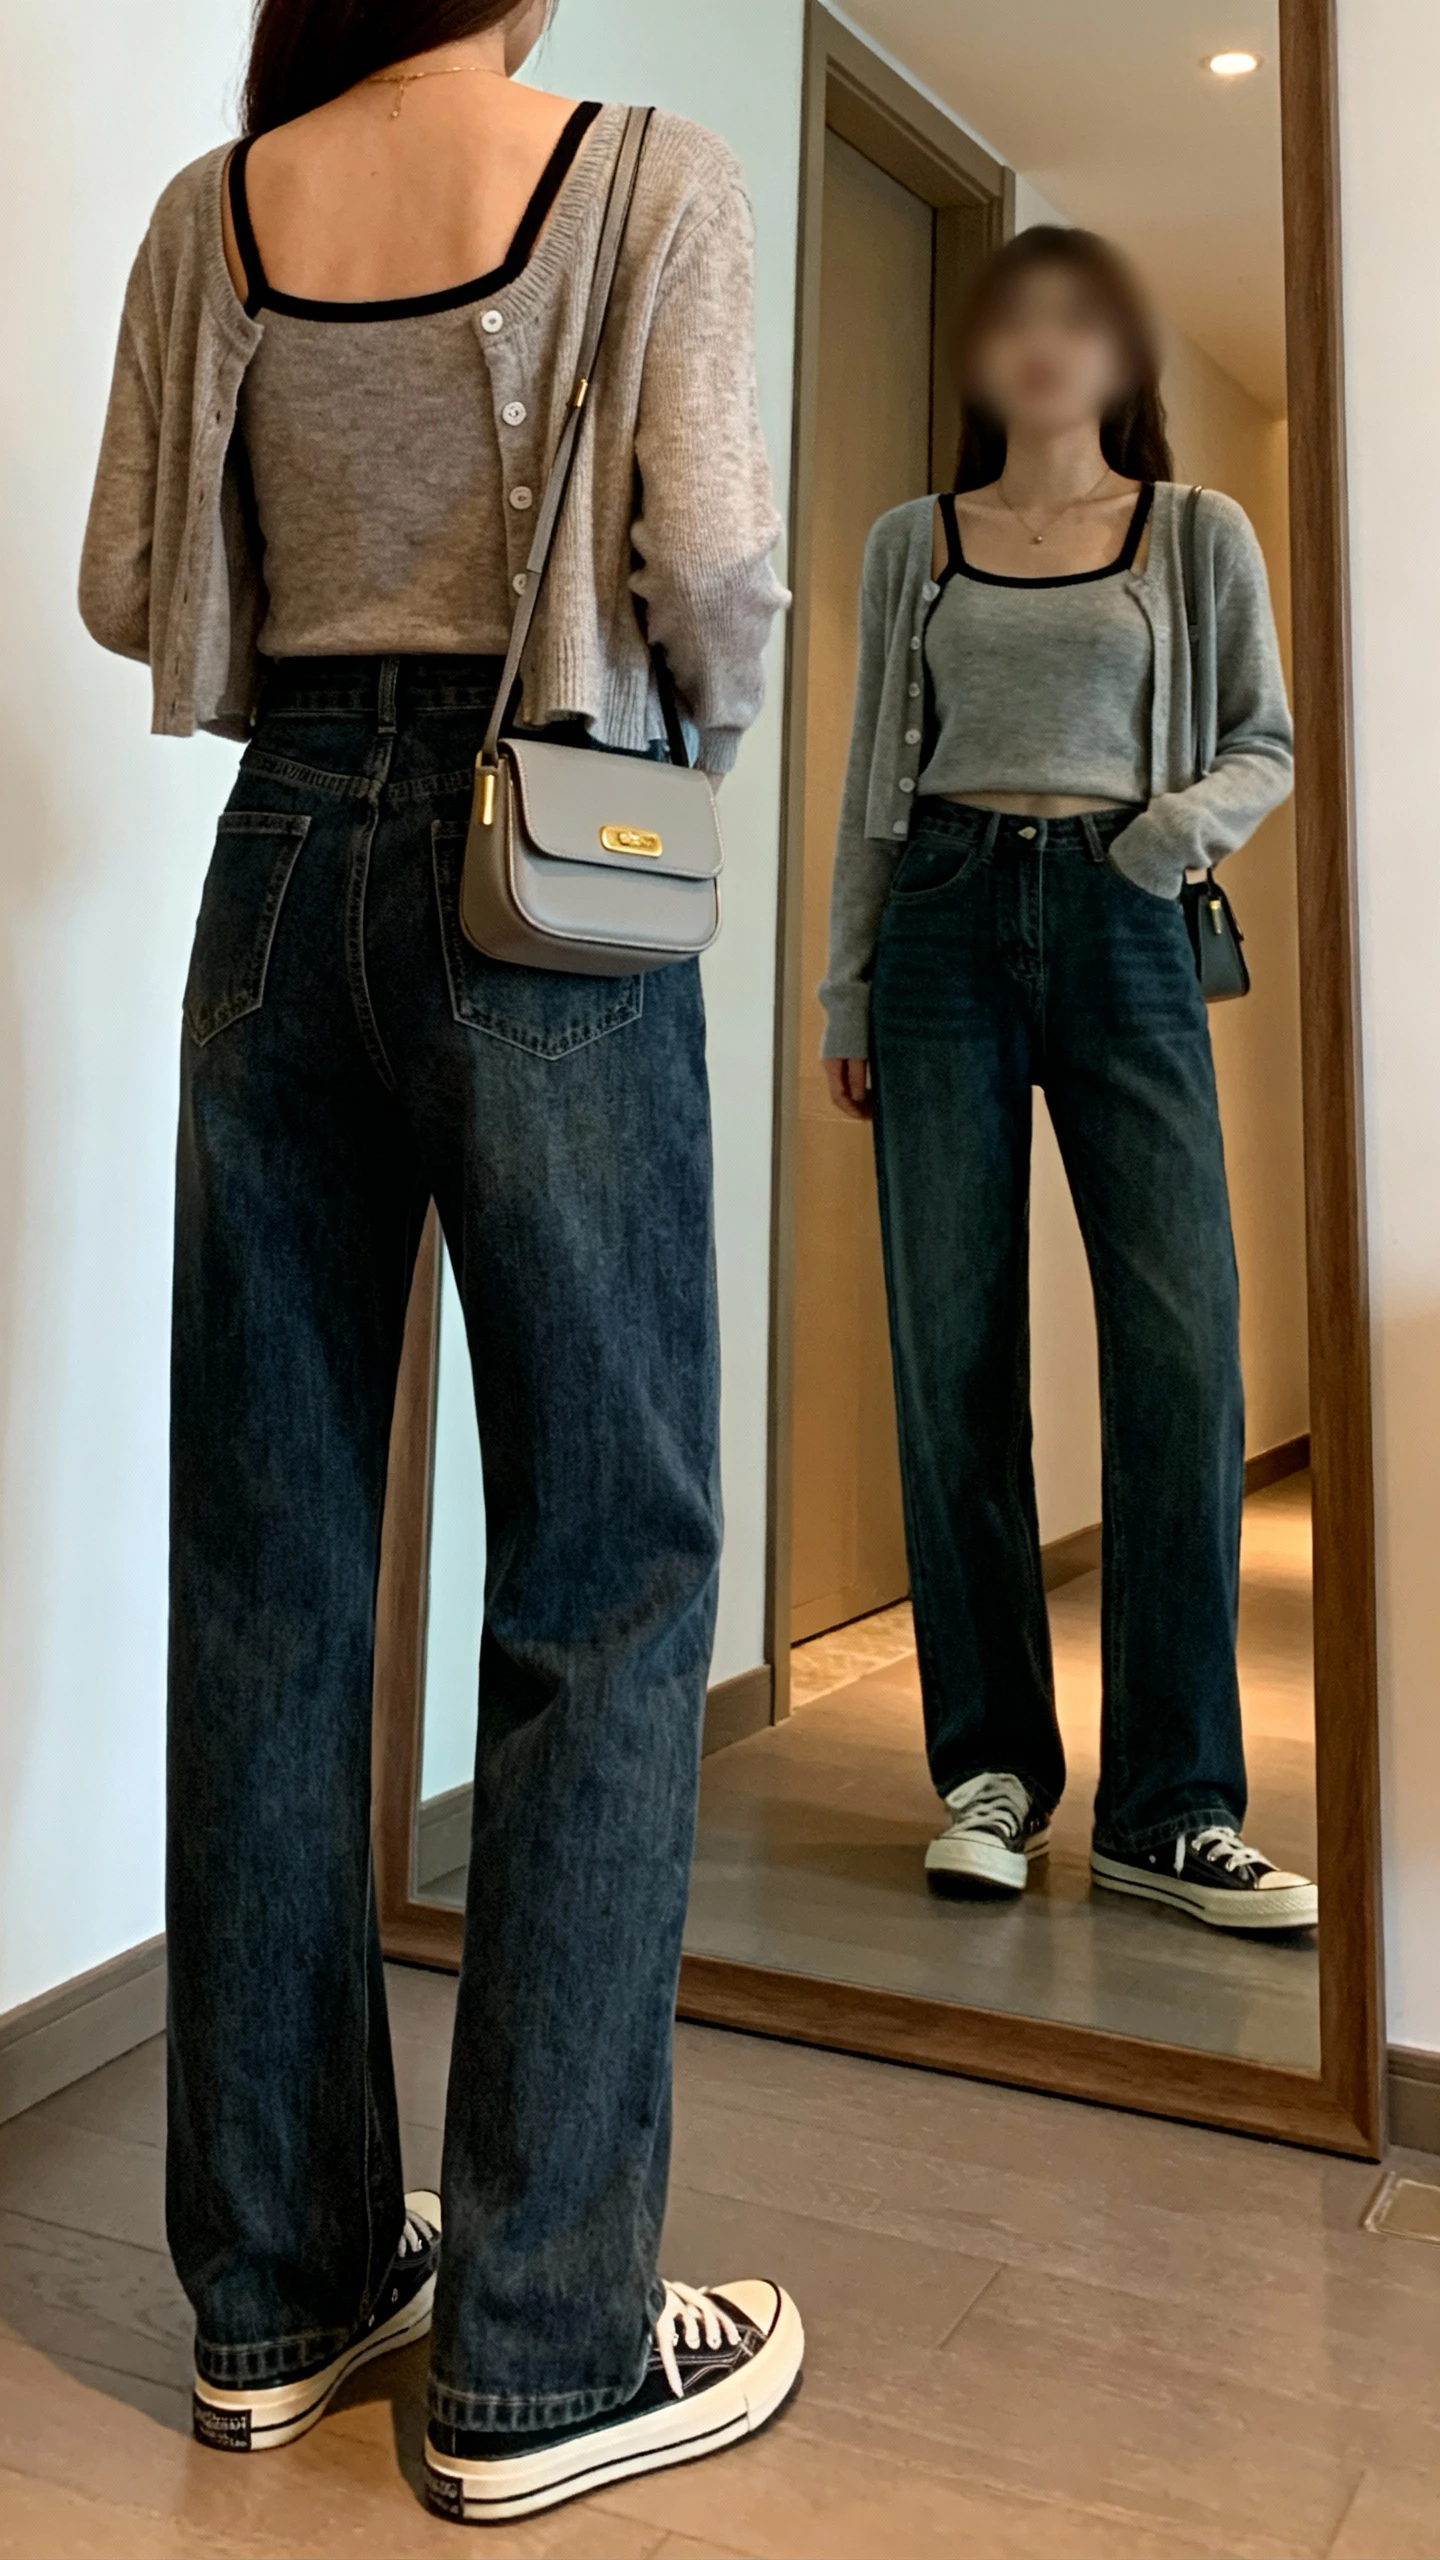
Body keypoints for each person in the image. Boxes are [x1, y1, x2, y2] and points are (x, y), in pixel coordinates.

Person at [80, 0, 802, 2523]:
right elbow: (715, 576)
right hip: (550, 863)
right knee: (610, 1562)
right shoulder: (648, 172)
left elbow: (124, 583)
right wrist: (684, 718)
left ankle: (278, 2285)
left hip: (275, 870)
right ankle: (545, 2347)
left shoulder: (213, 207)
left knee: (266, 1563)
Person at [820, 226, 1317, 1938]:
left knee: (1182, 1358)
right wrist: (846, 988)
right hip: (941, 930)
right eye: (1016, 316)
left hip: (1126, 926)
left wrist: (1157, 844)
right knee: (950, 1356)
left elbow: (1264, 738)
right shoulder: (915, 544)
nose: (1045, 341)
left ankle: (1170, 1808)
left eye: (1079, 318)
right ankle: (990, 1776)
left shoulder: (1196, 532)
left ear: (1124, 356)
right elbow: (874, 791)